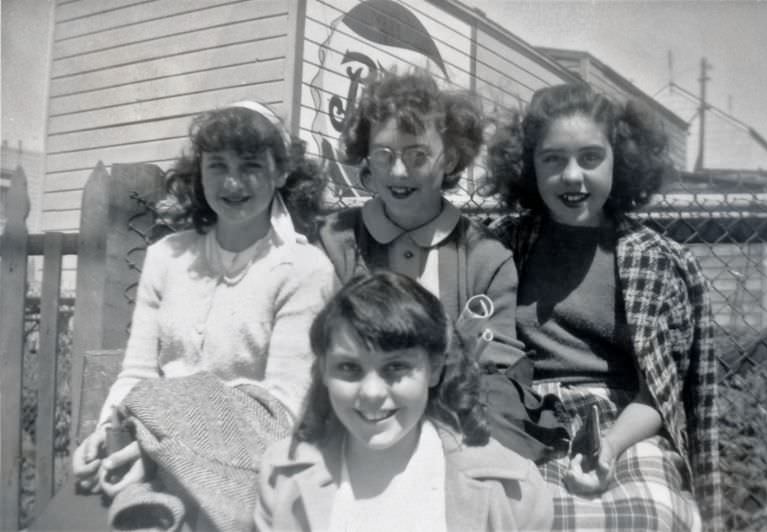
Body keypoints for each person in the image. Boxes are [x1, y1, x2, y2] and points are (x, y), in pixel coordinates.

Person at [33, 101, 335, 531]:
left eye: (250, 165)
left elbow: (282, 410)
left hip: (244, 470)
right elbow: (137, 372)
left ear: (281, 173)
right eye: (217, 166)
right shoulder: (167, 256)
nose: (232, 182)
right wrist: (104, 434)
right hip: (141, 448)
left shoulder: (305, 269)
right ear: (200, 172)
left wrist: (157, 449)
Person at [486, 83, 722, 532]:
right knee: (520, 515)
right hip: (527, 415)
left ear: (621, 160)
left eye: (590, 158)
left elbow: (659, 397)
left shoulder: (658, 260)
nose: (572, 176)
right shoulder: (503, 247)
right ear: (528, 166)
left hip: (626, 420)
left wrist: (609, 447)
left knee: (653, 515)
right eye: (553, 159)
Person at [254, 271, 554, 531]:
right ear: (323, 371)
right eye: (349, 368)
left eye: (395, 368)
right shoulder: (284, 477)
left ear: (435, 369)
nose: (371, 392)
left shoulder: (512, 488)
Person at [317, 69, 524, 370]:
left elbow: (501, 371)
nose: (399, 172)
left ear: (450, 160)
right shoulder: (333, 241)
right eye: (384, 155)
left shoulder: (486, 257)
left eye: (418, 156)